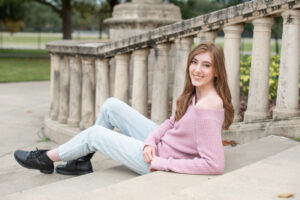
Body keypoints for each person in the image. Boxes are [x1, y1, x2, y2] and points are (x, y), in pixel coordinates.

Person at [14, 41, 234, 176]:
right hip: (159, 146)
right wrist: (150, 141)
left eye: (206, 65)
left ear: (217, 71)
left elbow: (214, 164)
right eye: (194, 62)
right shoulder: (197, 93)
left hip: (156, 160)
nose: (197, 69)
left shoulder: (209, 105)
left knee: (95, 134)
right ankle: (80, 162)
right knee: (111, 106)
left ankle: (45, 158)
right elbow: (171, 123)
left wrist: (162, 162)